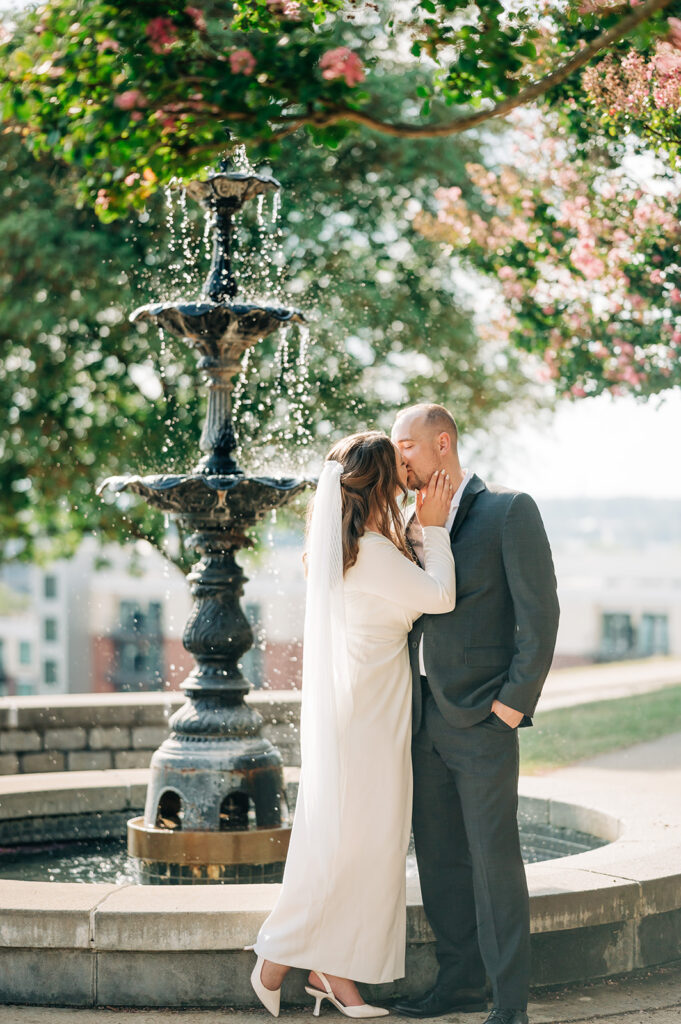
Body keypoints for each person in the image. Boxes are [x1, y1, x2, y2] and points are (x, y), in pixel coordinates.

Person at [249, 431, 457, 1018]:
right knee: (355, 846)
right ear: (380, 484)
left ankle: (330, 973)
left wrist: (414, 533)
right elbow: (440, 596)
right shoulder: (370, 551)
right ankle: (276, 957)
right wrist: (434, 527)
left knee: (358, 845)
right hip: (369, 717)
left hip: (362, 711)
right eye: (399, 469)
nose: (407, 478)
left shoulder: (340, 550)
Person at [390, 404, 560, 1024]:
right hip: (421, 720)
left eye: (405, 444)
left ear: (442, 443)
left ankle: (509, 1005)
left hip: (485, 721)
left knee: (494, 863)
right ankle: (458, 986)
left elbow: (540, 621)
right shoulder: (406, 521)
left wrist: (510, 708)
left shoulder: (509, 511)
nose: (398, 456)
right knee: (439, 860)